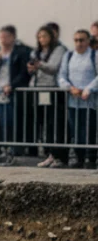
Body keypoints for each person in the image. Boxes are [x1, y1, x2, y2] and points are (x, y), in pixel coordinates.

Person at [0, 25, 31, 165]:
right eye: (1, 37)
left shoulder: (20, 52)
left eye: (6, 37)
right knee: (0, 124)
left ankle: (14, 152)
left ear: (13, 37)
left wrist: (12, 85)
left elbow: (23, 73)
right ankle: (4, 151)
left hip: (12, 93)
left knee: (12, 124)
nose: (3, 40)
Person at [59, 29, 98, 169]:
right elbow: (62, 76)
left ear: (88, 41)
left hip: (90, 100)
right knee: (75, 129)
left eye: (82, 40)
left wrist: (89, 88)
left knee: (89, 128)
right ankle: (79, 157)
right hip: (73, 100)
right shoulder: (69, 56)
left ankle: (91, 157)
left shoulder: (94, 55)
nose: (79, 43)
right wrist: (70, 88)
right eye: (76, 40)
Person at [29, 25, 67, 168]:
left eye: (44, 36)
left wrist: (39, 65)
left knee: (53, 123)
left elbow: (53, 67)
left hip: (50, 89)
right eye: (39, 37)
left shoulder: (59, 50)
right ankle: (49, 154)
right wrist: (32, 68)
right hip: (37, 89)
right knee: (42, 123)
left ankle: (59, 155)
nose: (42, 39)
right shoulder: (36, 51)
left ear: (51, 37)